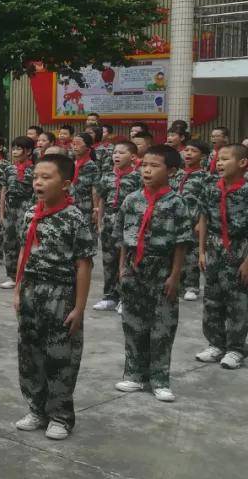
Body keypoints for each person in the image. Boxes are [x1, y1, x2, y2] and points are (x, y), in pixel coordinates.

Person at [13, 152, 95, 440]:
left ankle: (60, 415)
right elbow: (24, 252)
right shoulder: (30, 214)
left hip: (61, 292)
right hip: (32, 290)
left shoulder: (75, 218)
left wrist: (79, 307)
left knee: (60, 356)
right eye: (36, 177)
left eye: (47, 177)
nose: (38, 182)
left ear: (66, 184)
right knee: (30, 353)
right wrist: (18, 289)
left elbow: (84, 263)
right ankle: (36, 408)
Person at [114, 145, 192, 402]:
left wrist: (175, 275)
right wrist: (122, 269)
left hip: (162, 270)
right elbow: (123, 237)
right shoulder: (131, 200)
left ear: (171, 170)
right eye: (144, 165)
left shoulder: (177, 202)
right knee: (133, 324)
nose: (147, 170)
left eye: (154, 166)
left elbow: (181, 242)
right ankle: (135, 374)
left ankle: (159, 379)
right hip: (134, 270)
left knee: (162, 327)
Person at [195, 143, 248, 370]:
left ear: (243, 163)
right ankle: (215, 343)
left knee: (237, 301)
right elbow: (203, 220)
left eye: (226, 159)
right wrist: (201, 251)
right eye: (218, 159)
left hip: (240, 247)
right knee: (212, 298)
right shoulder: (211, 188)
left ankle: (236, 348)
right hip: (215, 248)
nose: (219, 163)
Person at [92, 140, 141, 312]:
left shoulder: (138, 177)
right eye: (115, 153)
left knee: (127, 260)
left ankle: (126, 298)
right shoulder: (107, 176)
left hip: (129, 222)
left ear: (133, 157)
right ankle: (110, 296)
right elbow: (102, 198)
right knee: (109, 260)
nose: (116, 156)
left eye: (121, 153)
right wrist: (99, 221)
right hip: (109, 222)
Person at [0, 137, 35, 291]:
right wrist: (1, 212)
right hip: (10, 209)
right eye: (13, 149)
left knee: (24, 241)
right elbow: (3, 190)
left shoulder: (34, 170)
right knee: (9, 242)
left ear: (28, 152)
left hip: (25, 208)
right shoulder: (9, 169)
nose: (15, 152)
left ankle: (26, 274)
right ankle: (12, 276)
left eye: (19, 149)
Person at [175, 139, 209, 302]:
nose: (188, 153)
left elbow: (206, 202)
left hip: (193, 220)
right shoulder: (177, 174)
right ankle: (178, 284)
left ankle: (192, 286)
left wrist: (199, 223)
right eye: (186, 150)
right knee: (177, 251)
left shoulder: (206, 177)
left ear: (202, 156)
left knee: (193, 254)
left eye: (193, 151)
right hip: (176, 220)